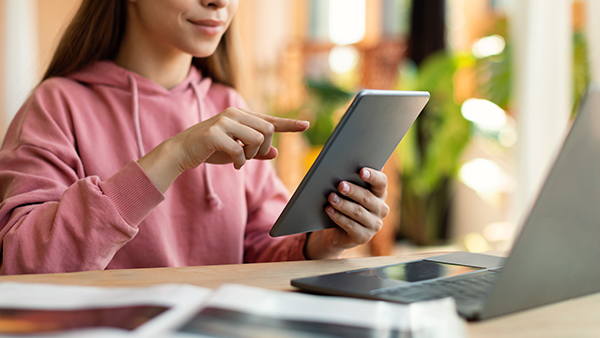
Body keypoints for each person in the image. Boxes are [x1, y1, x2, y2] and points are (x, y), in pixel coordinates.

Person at [0, 0, 390, 275]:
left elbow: (261, 246)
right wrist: (176, 153)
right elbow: (23, 264)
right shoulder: (56, 104)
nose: (218, 2)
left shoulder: (228, 104)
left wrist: (317, 245)